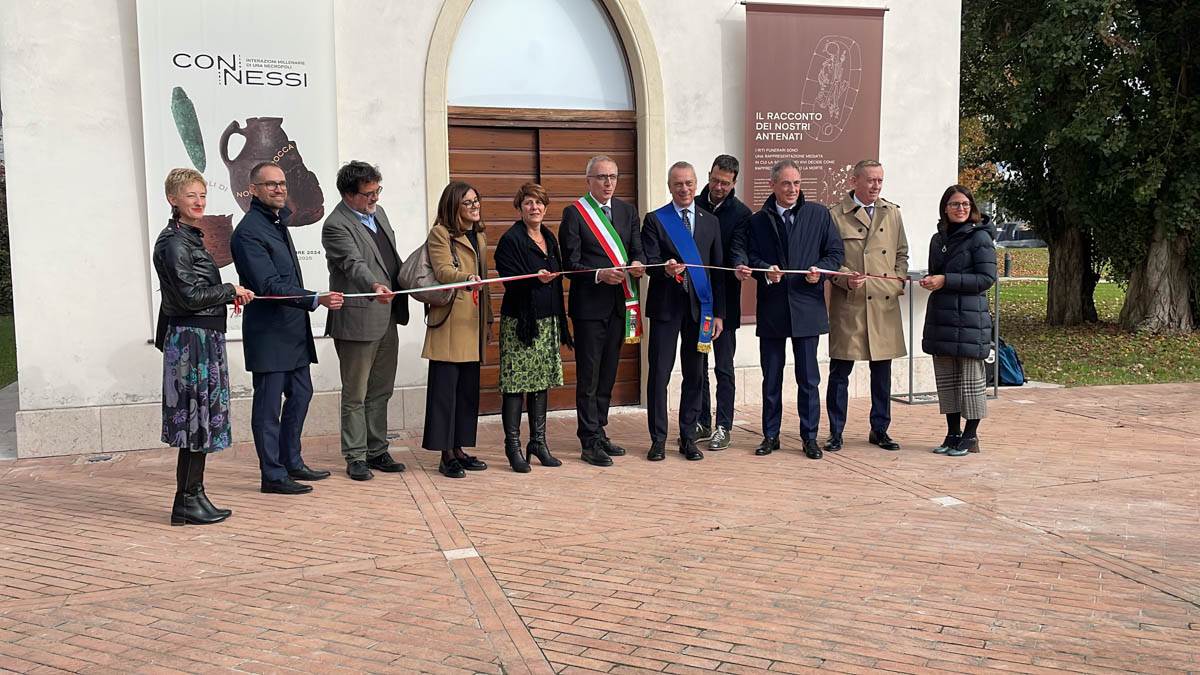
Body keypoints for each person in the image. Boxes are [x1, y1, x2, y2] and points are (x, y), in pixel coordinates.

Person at [230, 161, 343, 495]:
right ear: (253, 189)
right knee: (267, 408)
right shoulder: (249, 231)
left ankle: (291, 460)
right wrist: (315, 299)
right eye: (270, 185)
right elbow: (266, 284)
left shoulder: (278, 223)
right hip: (269, 333)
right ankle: (273, 474)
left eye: (281, 183)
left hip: (293, 329)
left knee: (302, 394)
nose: (279, 189)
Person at [154, 168, 254, 525]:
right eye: (191, 196)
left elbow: (196, 293)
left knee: (201, 423)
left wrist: (228, 295)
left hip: (203, 336)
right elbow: (188, 296)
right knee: (193, 423)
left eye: (202, 195)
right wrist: (229, 290)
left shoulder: (189, 238)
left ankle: (193, 496)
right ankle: (186, 500)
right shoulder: (174, 242)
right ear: (173, 199)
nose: (199, 202)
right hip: (191, 340)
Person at [735, 159, 844, 459]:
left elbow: (835, 253)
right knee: (772, 377)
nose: (792, 189)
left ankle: (809, 437)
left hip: (808, 308)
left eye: (796, 183)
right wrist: (763, 270)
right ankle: (770, 435)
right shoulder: (757, 221)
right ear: (772, 185)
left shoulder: (819, 215)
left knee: (808, 379)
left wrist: (819, 271)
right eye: (786, 183)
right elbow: (751, 256)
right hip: (772, 308)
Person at [322, 161, 410, 481]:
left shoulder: (379, 214)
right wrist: (374, 286)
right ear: (349, 194)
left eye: (377, 191)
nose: (375, 198)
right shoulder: (336, 225)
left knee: (381, 388)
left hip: (387, 314)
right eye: (368, 194)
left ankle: (377, 449)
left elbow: (391, 259)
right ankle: (355, 455)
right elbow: (353, 264)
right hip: (358, 318)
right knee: (356, 393)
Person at [558, 155, 646, 467]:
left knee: (608, 372)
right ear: (589, 181)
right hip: (589, 308)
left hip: (620, 305)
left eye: (612, 177)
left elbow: (638, 250)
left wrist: (637, 264)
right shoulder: (575, 213)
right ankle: (588, 439)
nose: (608, 183)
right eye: (601, 177)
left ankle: (601, 428)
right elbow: (569, 265)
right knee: (590, 375)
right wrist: (599, 274)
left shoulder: (627, 211)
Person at [642, 162, 725, 462]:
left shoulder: (710, 221)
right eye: (678, 184)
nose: (684, 189)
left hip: (699, 311)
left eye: (689, 183)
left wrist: (718, 314)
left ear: (695, 183)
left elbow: (718, 273)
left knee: (694, 375)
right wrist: (664, 268)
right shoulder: (656, 220)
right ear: (670, 187)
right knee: (659, 375)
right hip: (666, 309)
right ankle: (658, 439)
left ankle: (688, 437)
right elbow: (649, 260)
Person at [825, 160, 909, 453]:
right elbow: (830, 258)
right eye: (871, 180)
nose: (876, 186)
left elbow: (901, 253)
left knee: (882, 372)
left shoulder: (892, 213)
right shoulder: (836, 215)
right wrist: (844, 279)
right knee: (840, 372)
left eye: (880, 181)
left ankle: (880, 429)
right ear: (854, 181)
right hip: (851, 304)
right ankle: (836, 432)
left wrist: (897, 281)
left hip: (883, 304)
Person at [493, 183, 572, 473]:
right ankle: (513, 447)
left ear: (545, 207)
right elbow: (507, 276)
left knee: (540, 383)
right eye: (528, 203)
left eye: (539, 203)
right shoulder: (511, 239)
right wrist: (532, 277)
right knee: (516, 386)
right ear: (520, 206)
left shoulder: (549, 237)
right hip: (521, 323)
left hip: (548, 320)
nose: (534, 208)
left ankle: (538, 442)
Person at [422, 181, 492, 478]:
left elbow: (486, 283)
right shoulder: (440, 233)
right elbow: (442, 272)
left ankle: (460, 448)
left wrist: (488, 319)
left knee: (466, 392)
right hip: (450, 322)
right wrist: (466, 276)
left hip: (472, 322)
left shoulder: (480, 237)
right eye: (468, 203)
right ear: (453, 206)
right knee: (445, 392)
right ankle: (445, 454)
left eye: (476, 201)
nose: (474, 207)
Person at [920, 185, 996, 457]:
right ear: (945, 208)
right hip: (942, 317)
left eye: (965, 204)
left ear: (972, 207)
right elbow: (936, 272)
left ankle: (970, 435)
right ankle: (952, 433)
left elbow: (986, 279)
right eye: (954, 204)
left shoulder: (980, 238)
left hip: (970, 319)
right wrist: (932, 281)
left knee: (971, 382)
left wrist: (946, 280)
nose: (960, 208)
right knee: (947, 381)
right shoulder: (936, 239)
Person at [695, 154, 753, 450]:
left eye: (725, 183)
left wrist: (741, 265)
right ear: (709, 174)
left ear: (734, 183)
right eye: (715, 180)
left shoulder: (742, 214)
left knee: (724, 368)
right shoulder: (692, 204)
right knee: (698, 363)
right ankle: (702, 420)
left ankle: (723, 425)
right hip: (695, 301)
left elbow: (739, 249)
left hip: (725, 303)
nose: (719, 187)